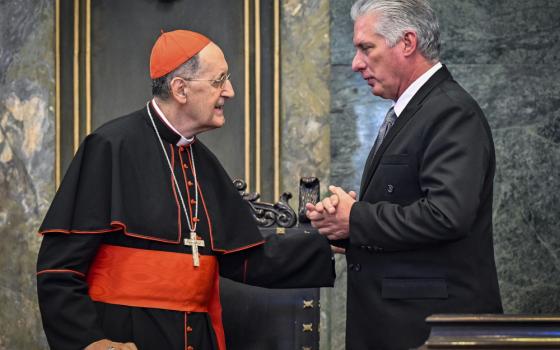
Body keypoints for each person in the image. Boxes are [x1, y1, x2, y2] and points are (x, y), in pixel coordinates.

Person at [37, 30, 335, 350]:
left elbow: (245, 258)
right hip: (126, 336)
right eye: (219, 80)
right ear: (181, 89)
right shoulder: (110, 147)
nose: (230, 91)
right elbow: (58, 269)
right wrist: (92, 343)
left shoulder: (203, 163)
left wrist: (332, 236)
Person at [306, 0, 503, 349]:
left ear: (407, 43)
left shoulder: (451, 111)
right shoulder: (416, 108)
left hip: (428, 329)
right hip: (401, 325)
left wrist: (358, 218)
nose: (355, 64)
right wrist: (345, 224)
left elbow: (447, 215)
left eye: (367, 48)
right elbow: (409, 202)